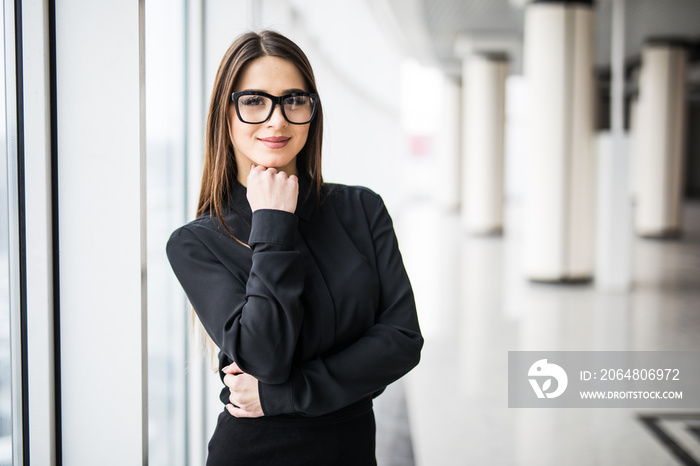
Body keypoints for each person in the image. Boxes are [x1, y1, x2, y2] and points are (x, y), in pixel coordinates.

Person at [166, 30, 423, 466]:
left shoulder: (361, 208)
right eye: (253, 101)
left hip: (352, 450)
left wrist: (283, 392)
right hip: (255, 452)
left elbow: (401, 340)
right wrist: (273, 223)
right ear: (224, 115)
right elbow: (264, 355)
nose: (277, 120)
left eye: (294, 100)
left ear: (312, 111)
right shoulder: (196, 243)